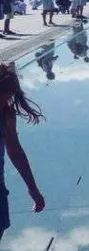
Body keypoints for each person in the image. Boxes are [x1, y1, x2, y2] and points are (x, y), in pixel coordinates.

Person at [1, 62, 46, 241]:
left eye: (7, 99)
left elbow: (15, 151)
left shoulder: (6, 115)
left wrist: (33, 189)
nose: (4, 104)